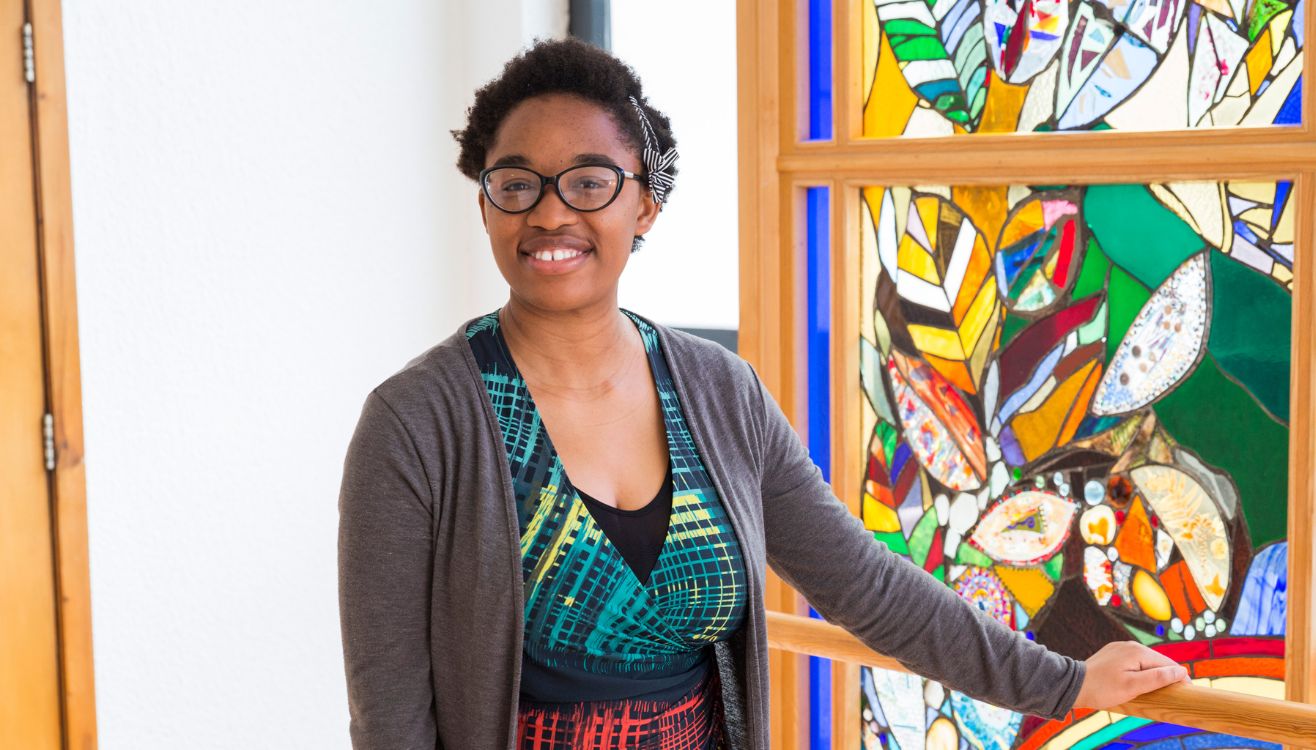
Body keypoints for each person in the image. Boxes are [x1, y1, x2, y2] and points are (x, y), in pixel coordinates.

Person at [337, 37, 1189, 750]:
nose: (551, 212)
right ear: (486, 208)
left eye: (591, 181)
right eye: (516, 184)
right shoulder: (417, 425)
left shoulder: (720, 394)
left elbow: (865, 584)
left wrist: (1063, 682)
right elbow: (391, 712)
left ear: (646, 206)